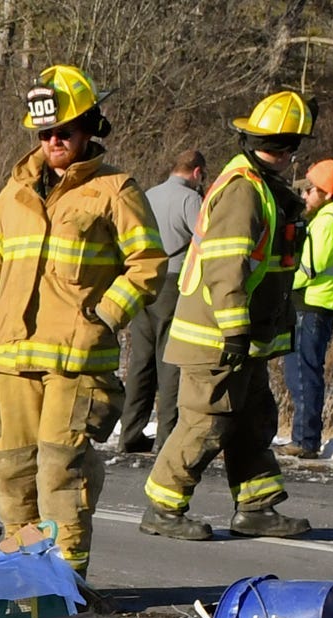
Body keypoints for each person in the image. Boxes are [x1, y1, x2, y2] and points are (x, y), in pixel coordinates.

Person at [0, 65, 165, 575]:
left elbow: (148, 264)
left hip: (75, 360)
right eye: (45, 133)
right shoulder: (14, 192)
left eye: (65, 132)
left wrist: (104, 314)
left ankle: (66, 578)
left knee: (60, 467)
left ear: (90, 129)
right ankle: (20, 570)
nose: (54, 141)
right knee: (14, 469)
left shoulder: (114, 190)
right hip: (12, 353)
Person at [142, 91, 312, 539]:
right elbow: (226, 265)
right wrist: (235, 329)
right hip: (217, 336)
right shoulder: (244, 190)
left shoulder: (259, 185)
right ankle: (162, 508)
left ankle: (256, 507)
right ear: (289, 146)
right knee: (207, 419)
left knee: (253, 417)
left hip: (242, 337)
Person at [119, 150, 206, 453]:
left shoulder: (148, 195)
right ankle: (166, 437)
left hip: (143, 280)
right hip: (174, 283)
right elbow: (205, 241)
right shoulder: (190, 200)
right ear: (196, 172)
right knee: (170, 360)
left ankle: (129, 433)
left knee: (140, 361)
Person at [285, 159, 333, 458]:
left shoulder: (328, 222)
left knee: (302, 374)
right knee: (307, 371)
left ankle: (305, 440)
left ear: (327, 194)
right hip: (323, 304)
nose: (304, 196)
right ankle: (305, 437)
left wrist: (283, 283)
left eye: (311, 190)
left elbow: (309, 267)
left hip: (311, 303)